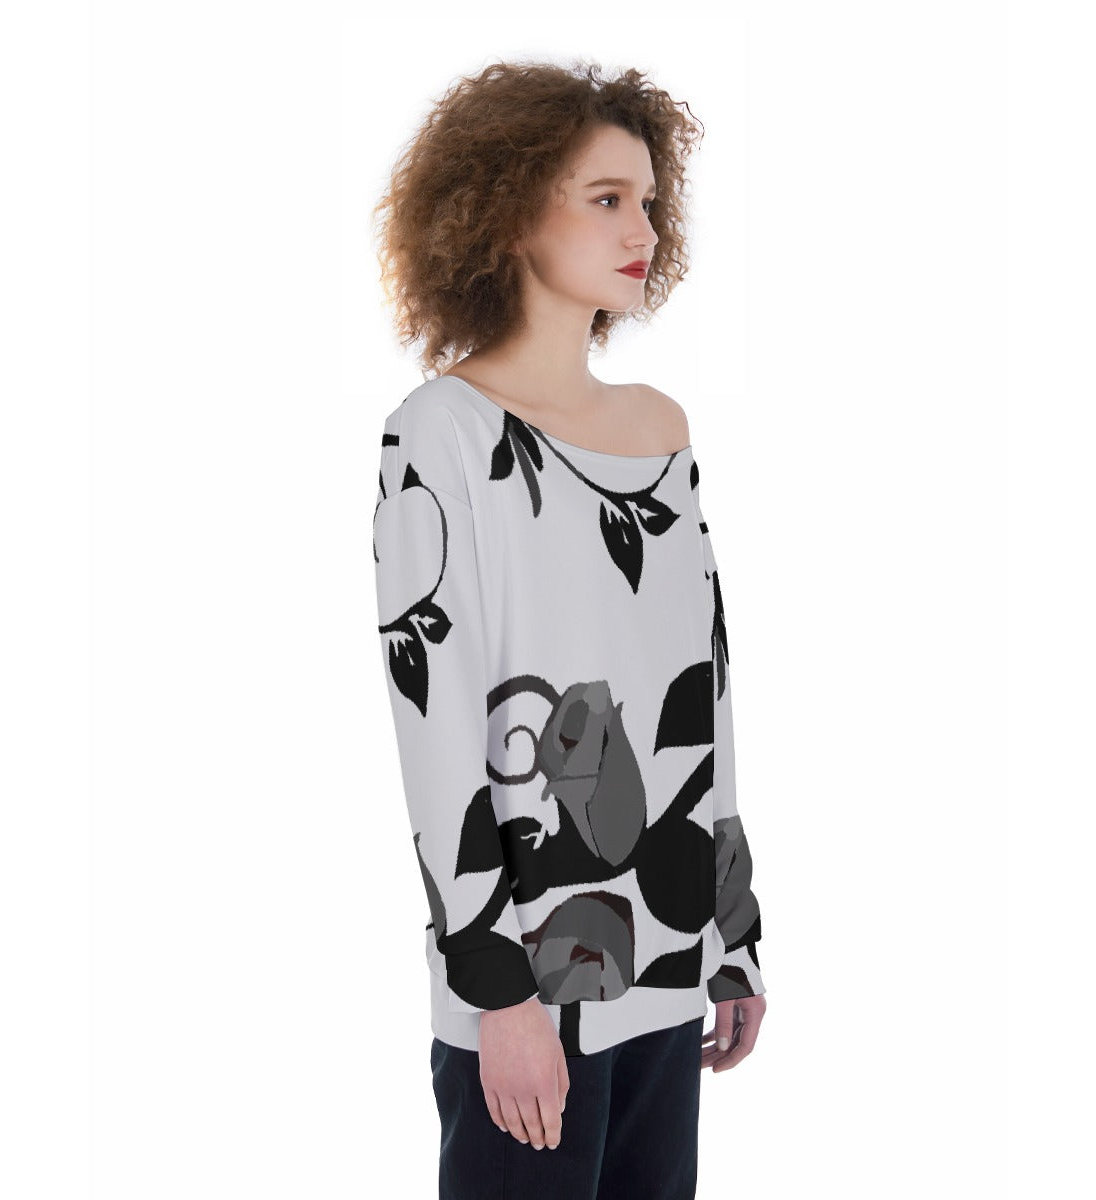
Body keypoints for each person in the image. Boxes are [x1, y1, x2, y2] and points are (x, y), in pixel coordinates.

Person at [370, 59, 766, 1199]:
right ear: (505, 213)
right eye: (605, 198)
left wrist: (732, 931)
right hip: (525, 984)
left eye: (649, 201)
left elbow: (704, 688)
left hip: (667, 952)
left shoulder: (660, 428)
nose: (643, 229)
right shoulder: (440, 434)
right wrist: (497, 993)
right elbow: (440, 733)